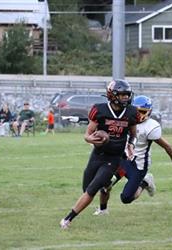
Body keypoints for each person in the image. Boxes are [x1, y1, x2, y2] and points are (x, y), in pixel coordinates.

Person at [59, 79, 138, 229]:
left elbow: (133, 134)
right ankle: (106, 187)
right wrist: (92, 139)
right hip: (97, 155)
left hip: (114, 158)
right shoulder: (100, 110)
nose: (126, 98)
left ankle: (67, 219)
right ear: (112, 95)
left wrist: (131, 145)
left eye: (127, 95)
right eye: (122, 95)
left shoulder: (131, 112)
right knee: (87, 187)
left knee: (92, 189)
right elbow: (87, 134)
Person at [93, 95, 172, 216]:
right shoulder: (124, 119)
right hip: (122, 160)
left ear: (149, 112)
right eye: (137, 111)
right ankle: (103, 210)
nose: (139, 115)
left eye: (142, 112)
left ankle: (145, 182)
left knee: (126, 198)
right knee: (104, 183)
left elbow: (166, 146)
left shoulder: (150, 126)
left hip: (138, 164)